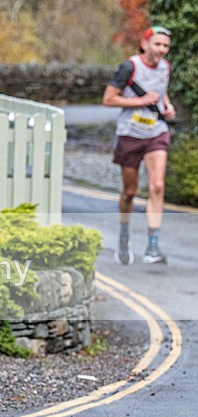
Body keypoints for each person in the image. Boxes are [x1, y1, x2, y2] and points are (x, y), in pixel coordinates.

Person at [102, 25, 176, 265]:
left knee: (156, 185)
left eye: (165, 46)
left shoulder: (165, 68)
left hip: (156, 131)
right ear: (145, 44)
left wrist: (167, 105)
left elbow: (160, 92)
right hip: (130, 133)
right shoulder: (129, 67)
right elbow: (108, 99)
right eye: (158, 44)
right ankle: (124, 234)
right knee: (130, 191)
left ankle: (152, 246)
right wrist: (141, 101)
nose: (162, 50)